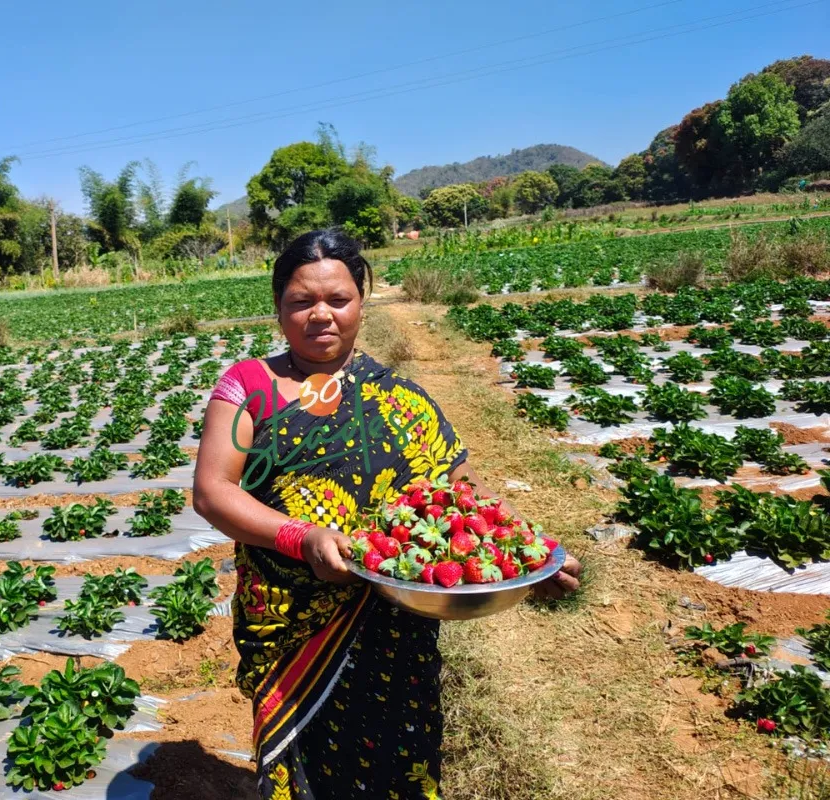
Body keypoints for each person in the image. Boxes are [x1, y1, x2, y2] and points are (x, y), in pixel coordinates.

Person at [192, 229, 582, 800]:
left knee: (398, 763)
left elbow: (457, 503)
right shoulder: (250, 387)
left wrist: (528, 557)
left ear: (361, 304)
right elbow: (212, 491)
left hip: (393, 618)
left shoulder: (401, 397)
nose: (321, 315)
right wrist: (303, 538)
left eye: (338, 300)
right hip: (293, 621)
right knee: (301, 770)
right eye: (302, 302)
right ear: (278, 307)